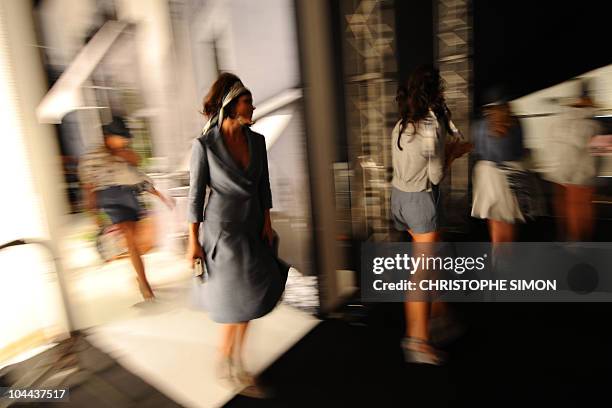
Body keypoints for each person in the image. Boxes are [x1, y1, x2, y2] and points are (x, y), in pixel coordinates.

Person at [186, 73, 289, 396]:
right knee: (238, 300)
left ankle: (230, 360)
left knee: (251, 296)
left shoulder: (256, 141)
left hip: (253, 226)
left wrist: (267, 220)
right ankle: (231, 364)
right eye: (248, 101)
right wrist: (193, 241)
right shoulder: (204, 145)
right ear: (231, 106)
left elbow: (263, 185)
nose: (253, 106)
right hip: (223, 232)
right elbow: (195, 197)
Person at [390, 65, 470, 365]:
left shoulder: (400, 125)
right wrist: (453, 152)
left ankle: (438, 315)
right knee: (421, 273)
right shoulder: (431, 126)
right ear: (434, 93)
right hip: (420, 202)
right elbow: (435, 177)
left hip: (400, 198)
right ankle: (417, 341)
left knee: (429, 258)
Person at [79, 116, 174, 300]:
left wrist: (161, 196)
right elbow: (88, 186)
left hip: (130, 197)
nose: (124, 140)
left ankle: (140, 277)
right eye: (121, 137)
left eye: (125, 137)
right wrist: (93, 212)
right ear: (108, 136)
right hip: (110, 199)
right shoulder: (92, 156)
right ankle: (145, 285)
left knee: (135, 243)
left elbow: (138, 176)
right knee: (130, 239)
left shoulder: (125, 154)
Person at [470, 87, 531, 243]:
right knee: (508, 220)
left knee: (495, 221)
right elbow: (520, 152)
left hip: (487, 177)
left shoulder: (480, 125)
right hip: (509, 175)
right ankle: (507, 261)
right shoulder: (515, 124)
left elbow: (478, 150)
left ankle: (497, 258)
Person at [545, 80, 601, 241]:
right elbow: (589, 147)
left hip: (566, 173)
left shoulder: (567, 119)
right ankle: (577, 243)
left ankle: (571, 240)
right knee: (577, 211)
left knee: (570, 211)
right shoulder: (589, 124)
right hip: (577, 175)